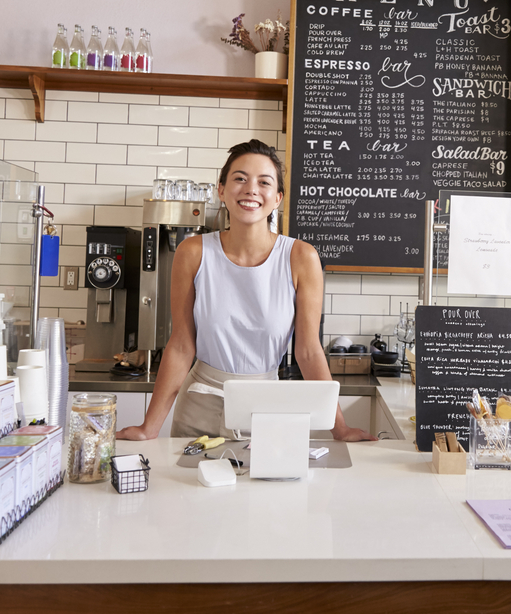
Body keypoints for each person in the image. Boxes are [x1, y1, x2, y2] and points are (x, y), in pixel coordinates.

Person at [116, 139, 376, 443]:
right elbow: (181, 345)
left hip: (265, 408)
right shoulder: (193, 252)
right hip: (199, 406)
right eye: (240, 178)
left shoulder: (301, 258)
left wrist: (340, 428)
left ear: (277, 198)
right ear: (221, 190)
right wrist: (150, 427)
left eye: (264, 182)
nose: (251, 189)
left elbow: (307, 351)